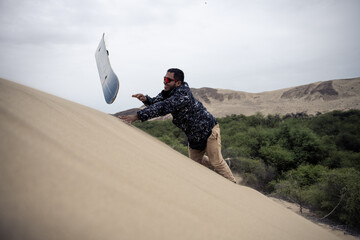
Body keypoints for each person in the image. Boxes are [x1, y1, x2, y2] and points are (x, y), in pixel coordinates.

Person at [119, 68, 236, 183]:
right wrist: (146, 99)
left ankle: (234, 186)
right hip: (194, 136)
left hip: (209, 131)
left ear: (178, 83)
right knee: (195, 163)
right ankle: (224, 161)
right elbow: (157, 102)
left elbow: (163, 107)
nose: (164, 82)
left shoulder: (182, 95)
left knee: (216, 162)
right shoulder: (168, 92)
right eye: (164, 79)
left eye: (168, 80)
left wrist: (137, 116)